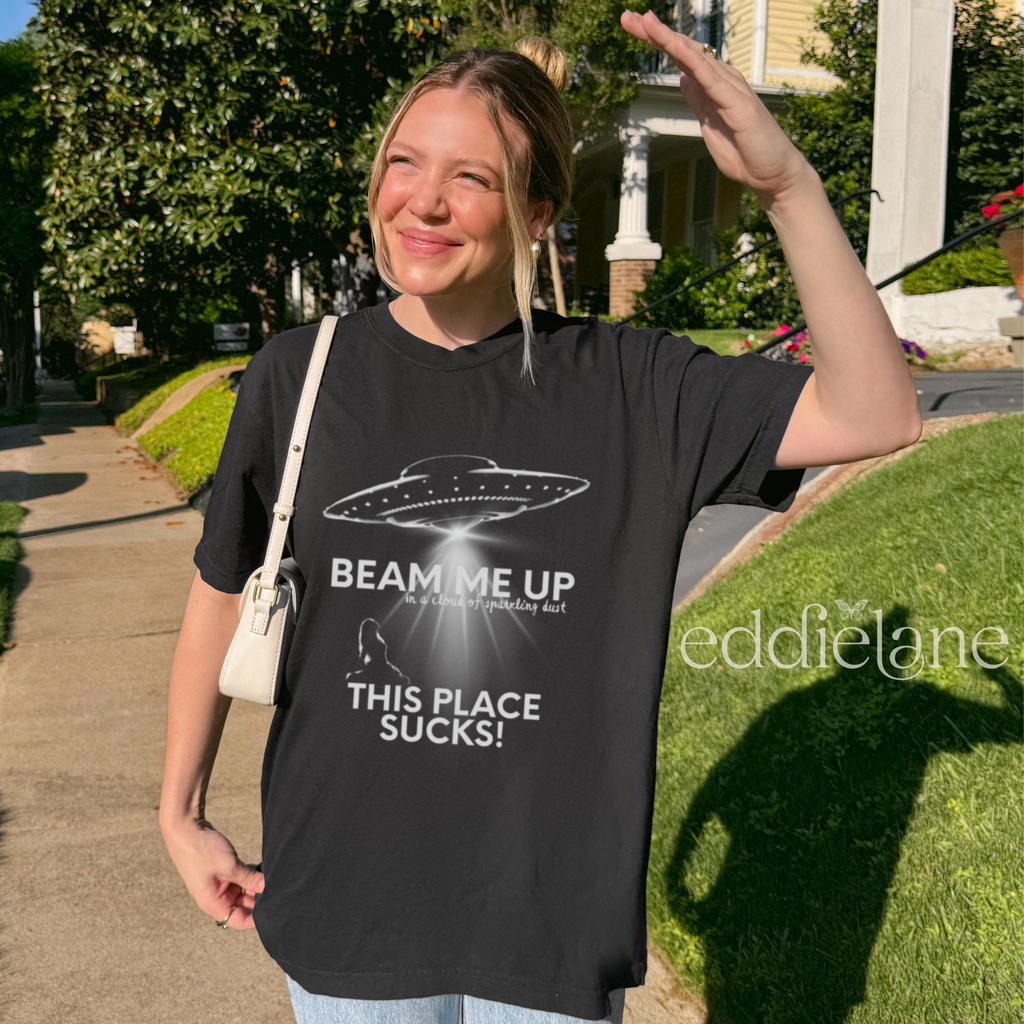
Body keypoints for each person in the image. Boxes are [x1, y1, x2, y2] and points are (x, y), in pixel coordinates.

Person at [159, 11, 922, 1024]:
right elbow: (222, 588)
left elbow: (874, 412)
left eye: (471, 178)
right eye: (403, 163)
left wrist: (786, 188)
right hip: (345, 911)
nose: (423, 202)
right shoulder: (302, 375)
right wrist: (179, 812)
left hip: (546, 928)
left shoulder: (630, 387)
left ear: (535, 213)